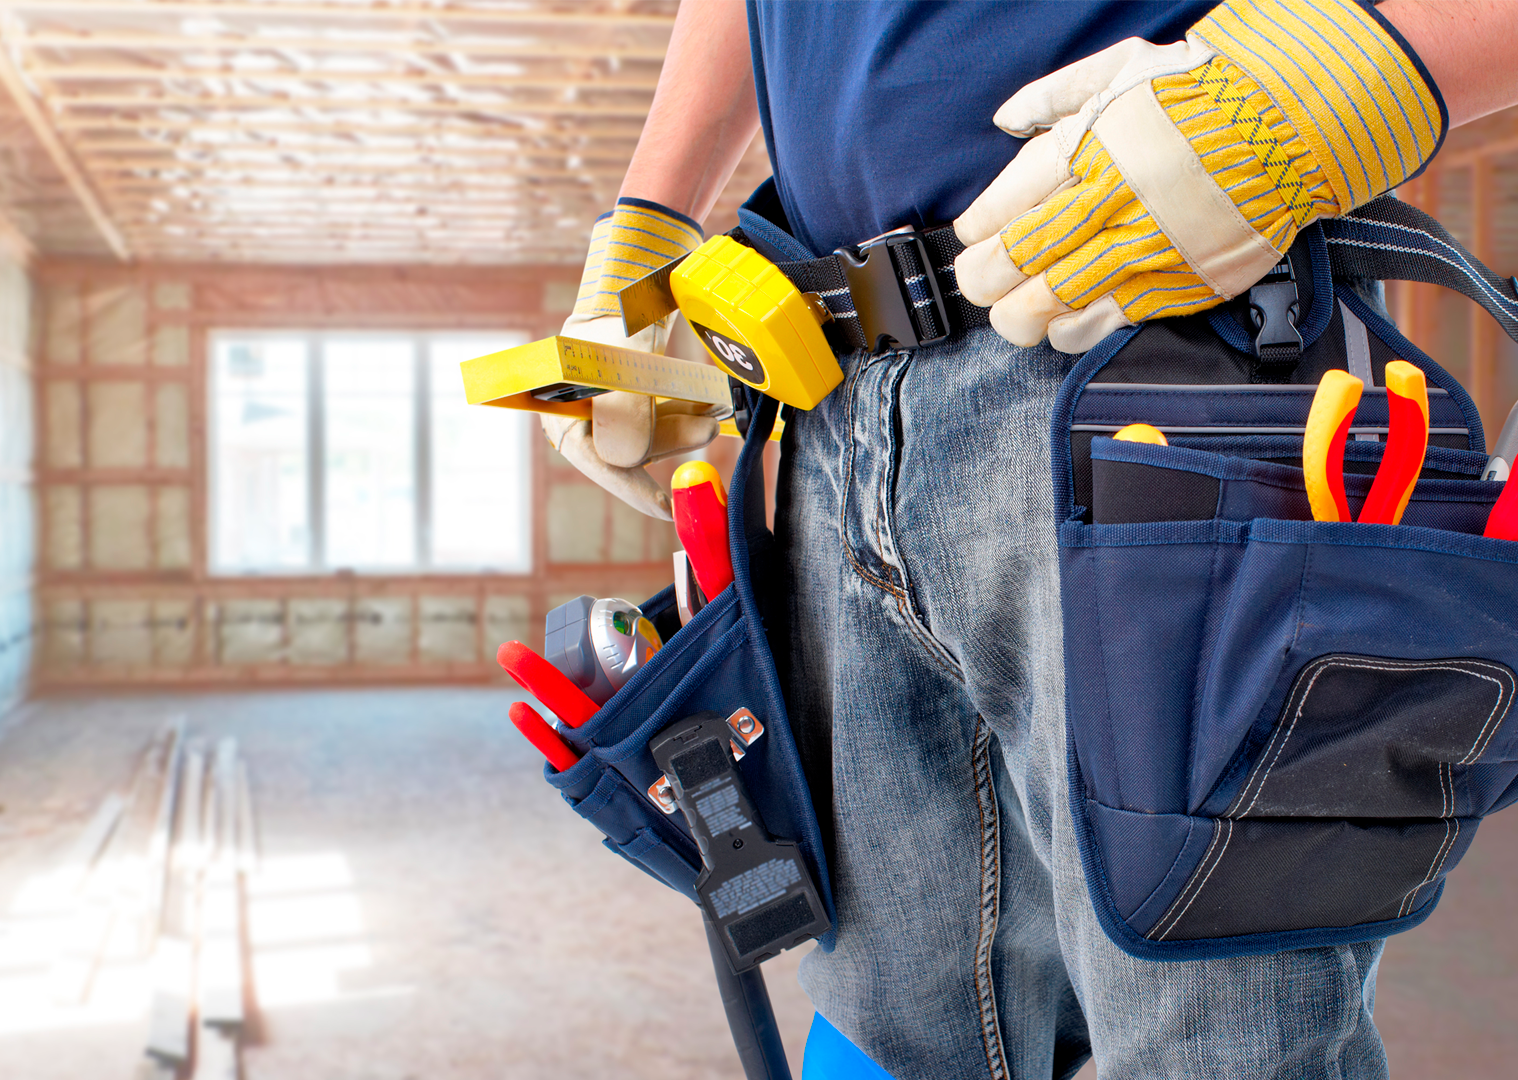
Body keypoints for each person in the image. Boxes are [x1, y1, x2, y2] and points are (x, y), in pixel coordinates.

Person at [545, 0, 1518, 1075]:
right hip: (828, 393)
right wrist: (650, 220)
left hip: (1159, 345)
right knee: (879, 1033)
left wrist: (1377, 66)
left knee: (1217, 1039)